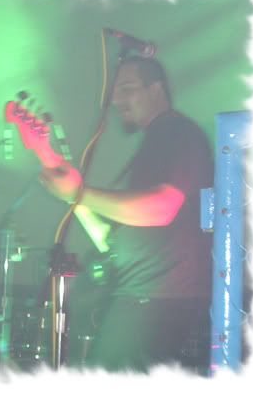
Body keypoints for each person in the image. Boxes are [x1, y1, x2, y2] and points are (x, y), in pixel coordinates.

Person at [40, 55, 213, 373]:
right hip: (141, 295)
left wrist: (79, 193)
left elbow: (162, 208)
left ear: (156, 90)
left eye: (127, 89)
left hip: (159, 299)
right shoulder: (157, 139)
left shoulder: (178, 134)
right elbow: (114, 235)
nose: (116, 100)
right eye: (115, 92)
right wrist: (62, 177)